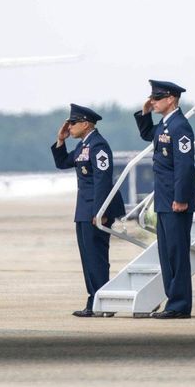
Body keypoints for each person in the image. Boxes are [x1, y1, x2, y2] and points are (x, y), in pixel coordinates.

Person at [51, 104, 126, 317]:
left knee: (96, 257)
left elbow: (102, 179)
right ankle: (95, 300)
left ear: (86, 124)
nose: (69, 126)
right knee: (88, 258)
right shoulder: (83, 145)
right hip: (84, 209)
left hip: (96, 209)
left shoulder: (98, 145)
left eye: (73, 123)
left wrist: (100, 211)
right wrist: (61, 140)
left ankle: (103, 302)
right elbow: (63, 163)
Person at [134, 80, 195, 319]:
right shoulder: (164, 125)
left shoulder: (180, 126)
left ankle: (180, 305)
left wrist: (181, 198)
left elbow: (185, 166)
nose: (153, 101)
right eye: (152, 97)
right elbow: (148, 135)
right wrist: (144, 113)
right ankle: (173, 301)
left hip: (176, 202)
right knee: (167, 254)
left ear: (171, 99)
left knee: (177, 254)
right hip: (164, 199)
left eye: (157, 98)